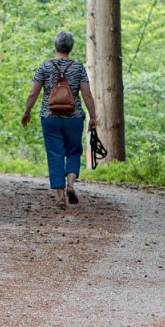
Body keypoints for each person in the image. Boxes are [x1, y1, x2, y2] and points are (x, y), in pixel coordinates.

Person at [21, 30, 98, 208]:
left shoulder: (45, 66)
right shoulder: (78, 67)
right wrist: (93, 117)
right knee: (73, 151)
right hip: (74, 118)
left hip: (50, 118)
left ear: (55, 46)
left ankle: (60, 196)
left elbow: (34, 92)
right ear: (70, 48)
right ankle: (70, 185)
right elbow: (87, 94)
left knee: (55, 154)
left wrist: (27, 112)